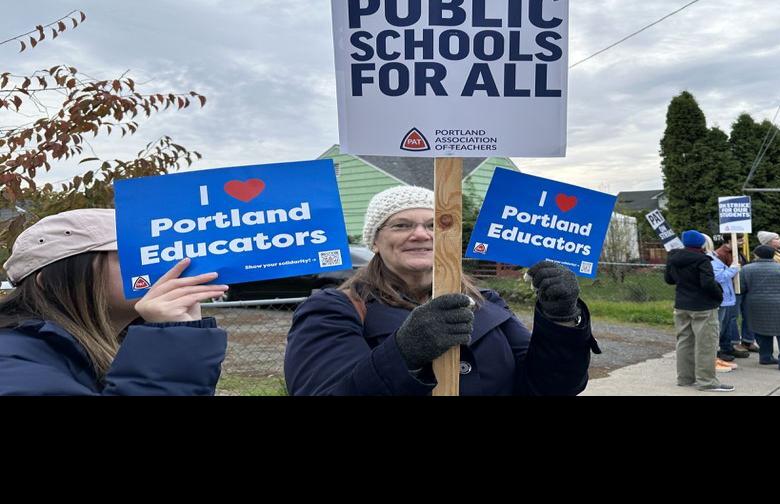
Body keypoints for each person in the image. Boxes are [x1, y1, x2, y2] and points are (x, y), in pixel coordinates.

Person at [284, 186, 600, 396]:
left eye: (434, 225)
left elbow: (552, 386)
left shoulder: (486, 302)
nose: (421, 234)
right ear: (375, 242)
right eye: (402, 225)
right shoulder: (333, 309)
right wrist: (404, 351)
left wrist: (560, 320)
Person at [0, 209, 228, 395]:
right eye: (131, 257)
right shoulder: (11, 361)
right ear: (50, 281)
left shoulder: (129, 346)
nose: (158, 269)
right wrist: (172, 345)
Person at [665, 230, 732, 392]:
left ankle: (685, 378)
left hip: (681, 304)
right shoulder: (702, 260)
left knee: (684, 342)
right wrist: (719, 295)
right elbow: (707, 283)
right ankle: (707, 381)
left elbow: (669, 280)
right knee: (706, 344)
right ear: (702, 243)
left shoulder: (673, 258)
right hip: (703, 306)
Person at [740, 245, 780, 372]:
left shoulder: (746, 269)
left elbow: (742, 288)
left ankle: (765, 357)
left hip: (756, 304)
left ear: (756, 255)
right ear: (773, 255)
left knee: (762, 331)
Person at [703, 235, 744, 373]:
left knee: (722, 326)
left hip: (725, 297)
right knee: (717, 328)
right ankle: (712, 358)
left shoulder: (712, 256)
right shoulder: (710, 259)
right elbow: (719, 277)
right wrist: (733, 269)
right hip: (721, 297)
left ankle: (715, 357)